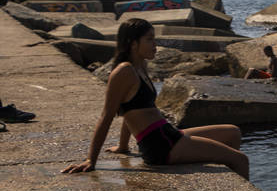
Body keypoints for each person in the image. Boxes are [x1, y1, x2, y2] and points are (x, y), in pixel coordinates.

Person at [62, 18, 250, 179]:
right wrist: (91, 159)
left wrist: (123, 146)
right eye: (149, 40)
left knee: (232, 132)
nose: (155, 45)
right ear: (133, 43)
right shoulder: (123, 71)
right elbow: (107, 115)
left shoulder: (140, 66)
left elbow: (131, 108)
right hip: (161, 145)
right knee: (240, 159)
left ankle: (231, 180)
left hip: (168, 134)